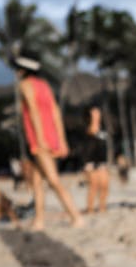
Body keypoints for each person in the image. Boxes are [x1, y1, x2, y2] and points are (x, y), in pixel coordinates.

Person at [11, 56, 84, 230]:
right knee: (37, 182)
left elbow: (34, 111)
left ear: (22, 70)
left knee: (53, 180)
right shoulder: (44, 85)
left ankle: (76, 216)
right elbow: (55, 112)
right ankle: (39, 221)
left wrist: (40, 139)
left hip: (38, 138)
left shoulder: (25, 85)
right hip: (51, 136)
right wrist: (62, 140)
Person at [80, 105, 110, 214]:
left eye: (98, 113)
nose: (97, 115)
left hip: (102, 160)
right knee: (93, 185)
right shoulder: (86, 127)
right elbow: (88, 139)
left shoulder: (103, 127)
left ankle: (102, 207)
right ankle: (90, 209)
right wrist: (85, 163)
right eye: (94, 113)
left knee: (105, 185)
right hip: (90, 161)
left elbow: (104, 142)